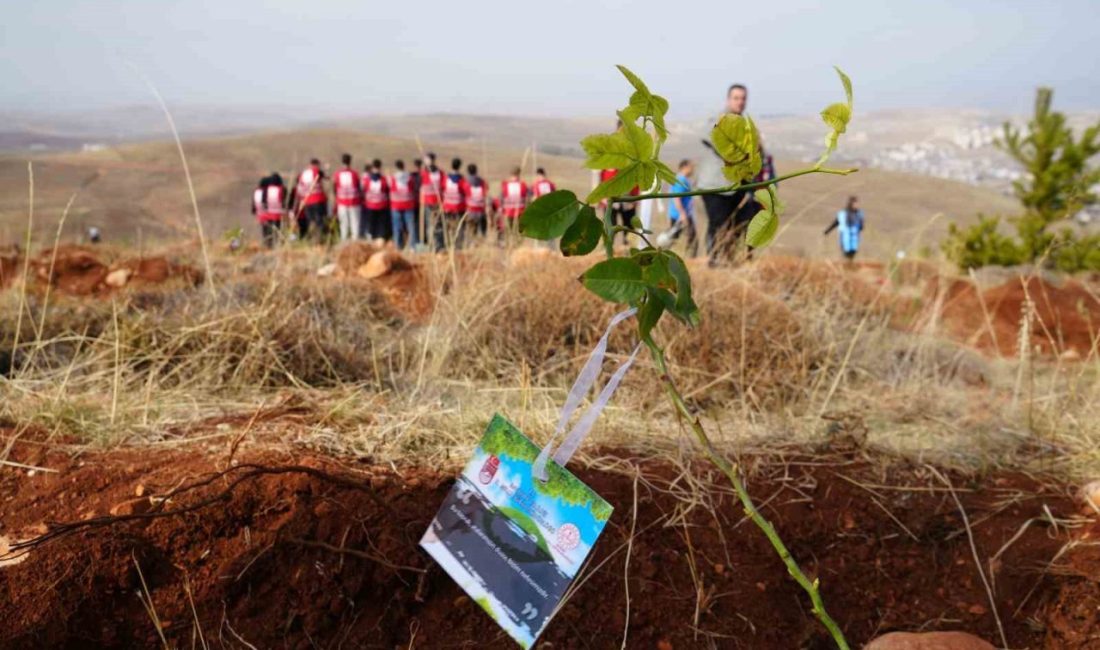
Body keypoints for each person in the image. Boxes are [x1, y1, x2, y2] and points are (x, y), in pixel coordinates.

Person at [697, 84, 774, 264]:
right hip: (715, 186)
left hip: (739, 186)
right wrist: (740, 151)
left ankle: (729, 260)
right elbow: (711, 138)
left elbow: (758, 153)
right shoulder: (718, 120)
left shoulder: (747, 126)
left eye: (743, 98)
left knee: (742, 223)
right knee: (718, 225)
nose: (740, 102)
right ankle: (715, 262)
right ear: (728, 99)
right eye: (736, 98)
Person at [595, 121, 640, 245]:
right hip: (609, 197)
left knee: (629, 229)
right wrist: (601, 196)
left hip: (627, 197)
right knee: (610, 229)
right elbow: (600, 174)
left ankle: (629, 253)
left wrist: (635, 197)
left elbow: (636, 175)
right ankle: (608, 253)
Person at [663, 160, 698, 257]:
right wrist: (683, 214)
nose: (693, 169)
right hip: (680, 215)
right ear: (685, 167)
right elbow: (676, 198)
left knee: (679, 237)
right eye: (691, 167)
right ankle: (690, 257)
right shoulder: (681, 180)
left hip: (681, 214)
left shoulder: (682, 179)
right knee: (688, 237)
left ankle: (689, 257)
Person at [291, 158, 329, 242]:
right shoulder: (316, 170)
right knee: (320, 222)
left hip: (307, 202)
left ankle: (312, 239)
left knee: (310, 222)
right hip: (318, 200)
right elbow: (325, 177)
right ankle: (321, 240)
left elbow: (300, 190)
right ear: (316, 165)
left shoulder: (303, 174)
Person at [438, 157, 469, 250]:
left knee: (448, 227)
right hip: (459, 207)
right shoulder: (462, 180)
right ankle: (458, 246)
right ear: (459, 166)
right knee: (459, 227)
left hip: (447, 206)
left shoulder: (445, 178)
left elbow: (441, 189)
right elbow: (466, 191)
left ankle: (448, 244)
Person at [389, 159, 418, 250]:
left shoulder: (393, 178)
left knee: (397, 226)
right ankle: (412, 246)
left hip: (396, 204)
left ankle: (398, 246)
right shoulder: (409, 178)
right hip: (408, 204)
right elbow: (414, 188)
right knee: (411, 226)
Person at [332, 153, 362, 242]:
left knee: (343, 225)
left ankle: (343, 242)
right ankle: (355, 242)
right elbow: (359, 187)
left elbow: (334, 187)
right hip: (354, 202)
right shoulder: (355, 174)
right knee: (355, 224)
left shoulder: (337, 174)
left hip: (342, 202)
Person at [824, 196, 864, 261]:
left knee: (852, 255)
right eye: (855, 203)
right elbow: (836, 223)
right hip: (845, 237)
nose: (857, 205)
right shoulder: (843, 213)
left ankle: (849, 267)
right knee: (846, 254)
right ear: (851, 203)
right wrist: (827, 231)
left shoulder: (859, 214)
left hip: (854, 239)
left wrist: (860, 227)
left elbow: (861, 226)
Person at [362, 159, 391, 242]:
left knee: (371, 224)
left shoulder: (367, 179)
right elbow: (388, 189)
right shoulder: (384, 179)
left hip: (371, 205)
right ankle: (380, 238)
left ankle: (372, 238)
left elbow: (364, 190)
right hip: (381, 205)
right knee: (380, 225)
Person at [499, 167, 528, 238]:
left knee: (509, 232)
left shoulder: (505, 185)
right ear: (519, 174)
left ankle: (510, 244)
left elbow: (501, 199)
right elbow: (527, 199)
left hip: (508, 212)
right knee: (519, 232)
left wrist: (502, 210)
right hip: (520, 212)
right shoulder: (523, 185)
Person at [262, 172, 287, 248]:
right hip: (279, 215)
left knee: (269, 232)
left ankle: (269, 246)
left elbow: (264, 202)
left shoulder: (266, 190)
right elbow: (284, 201)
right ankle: (281, 245)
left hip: (269, 214)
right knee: (279, 231)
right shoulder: (282, 189)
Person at [465, 163, 490, 237]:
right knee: (483, 230)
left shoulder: (466, 182)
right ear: (476, 171)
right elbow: (486, 189)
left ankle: (474, 243)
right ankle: (483, 241)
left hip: (470, 210)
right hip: (481, 209)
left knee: (472, 231)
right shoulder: (482, 181)